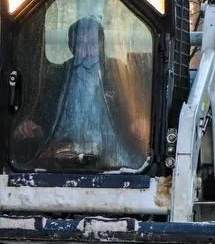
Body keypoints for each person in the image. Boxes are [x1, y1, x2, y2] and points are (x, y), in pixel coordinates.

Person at [11, 16, 150, 171]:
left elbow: (132, 111)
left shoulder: (117, 73)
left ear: (101, 44)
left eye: (92, 43)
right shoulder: (57, 76)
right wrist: (34, 127)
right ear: (72, 46)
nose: (87, 51)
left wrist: (140, 122)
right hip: (62, 153)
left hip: (113, 154)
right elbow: (44, 117)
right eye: (80, 44)